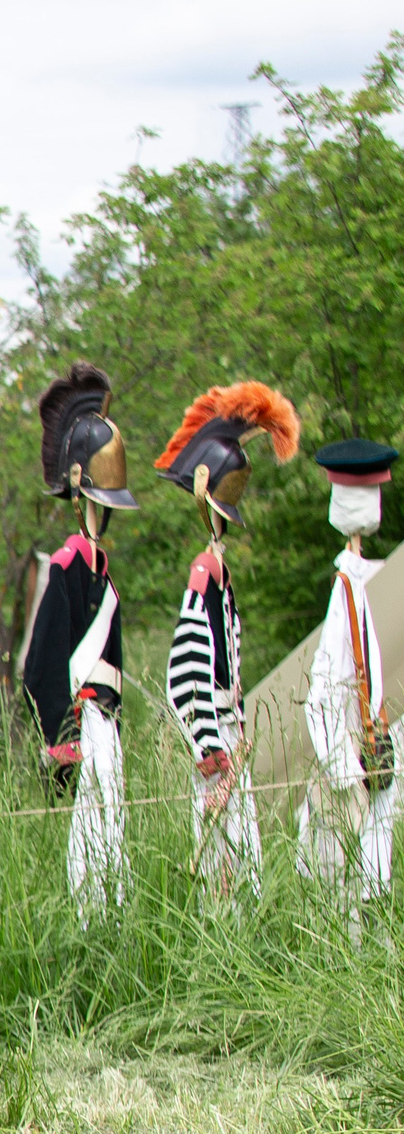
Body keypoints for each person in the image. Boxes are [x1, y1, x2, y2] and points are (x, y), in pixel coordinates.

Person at [154, 383, 299, 899]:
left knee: (243, 866)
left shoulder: (219, 571)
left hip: (228, 735)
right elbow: (187, 666)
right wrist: (210, 746)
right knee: (226, 873)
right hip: (215, 741)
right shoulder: (203, 572)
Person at [24, 361, 139, 917]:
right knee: (87, 855)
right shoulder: (68, 564)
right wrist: (63, 739)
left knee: (112, 847)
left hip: (106, 726)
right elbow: (42, 661)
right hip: (82, 722)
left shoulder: (103, 570)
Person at [301, 438, 398, 903]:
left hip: (367, 758)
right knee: (352, 896)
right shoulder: (349, 588)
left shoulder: (360, 583)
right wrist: (344, 772)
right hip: (356, 767)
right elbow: (320, 699)